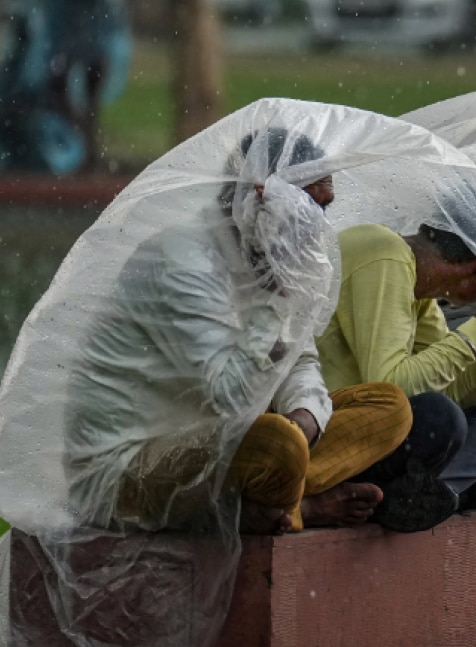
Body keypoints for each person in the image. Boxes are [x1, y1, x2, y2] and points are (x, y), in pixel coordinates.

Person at [65, 127, 418, 536]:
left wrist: (305, 419)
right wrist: (277, 300)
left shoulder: (271, 257)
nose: (317, 225)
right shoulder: (184, 260)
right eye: (308, 205)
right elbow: (227, 396)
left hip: (221, 447)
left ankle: (274, 501)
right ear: (259, 197)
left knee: (390, 408)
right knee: (277, 445)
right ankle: (292, 506)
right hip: (132, 466)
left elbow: (299, 359)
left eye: (326, 208)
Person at [317, 222, 476, 517]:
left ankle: (415, 497)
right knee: (440, 416)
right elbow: (388, 391)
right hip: (326, 432)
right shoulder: (384, 254)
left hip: (365, 428)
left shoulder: (418, 284)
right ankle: (416, 493)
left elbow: (457, 390)